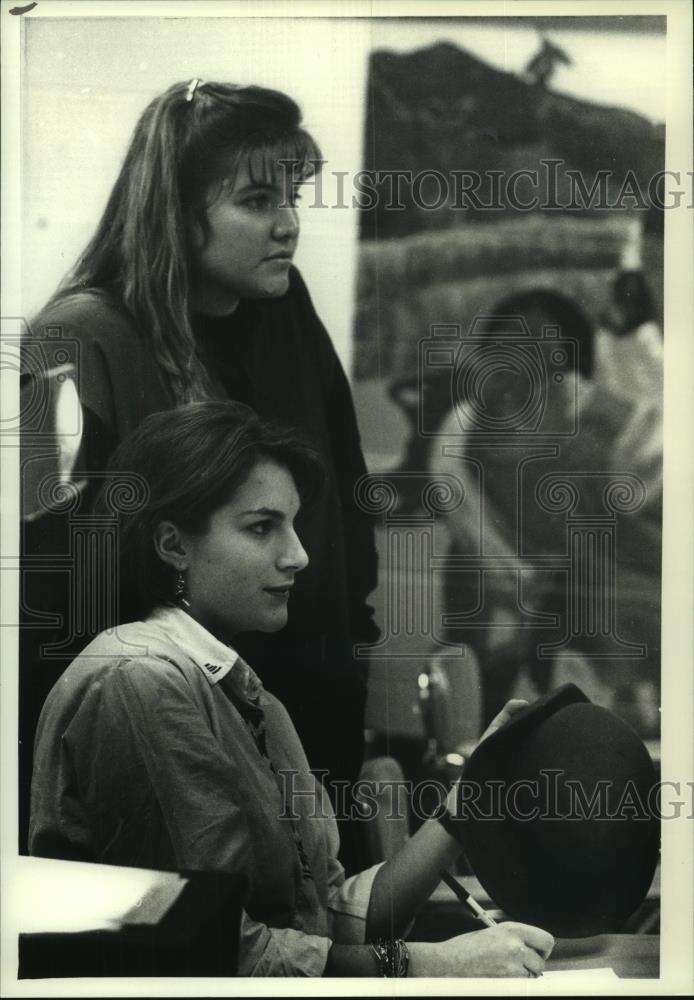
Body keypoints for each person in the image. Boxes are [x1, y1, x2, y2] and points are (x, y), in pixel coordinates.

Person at [29, 401, 555, 977]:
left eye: (294, 524)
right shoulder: (137, 680)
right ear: (173, 545)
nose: (298, 555)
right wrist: (434, 966)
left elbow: (321, 921)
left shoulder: (249, 697)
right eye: (262, 527)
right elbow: (216, 954)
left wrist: (465, 805)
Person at [20, 80, 378, 870]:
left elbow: (347, 522)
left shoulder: (285, 308)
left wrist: (345, 680)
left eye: (293, 196)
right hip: (158, 747)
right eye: (256, 200)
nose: (288, 223)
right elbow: (46, 605)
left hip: (304, 716)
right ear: (173, 211)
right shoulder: (69, 343)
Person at [429, 289, 661, 728]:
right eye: (501, 353)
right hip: (503, 619)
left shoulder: (621, 428)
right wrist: (513, 576)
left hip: (603, 633)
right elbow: (455, 494)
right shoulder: (466, 426)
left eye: (539, 354)